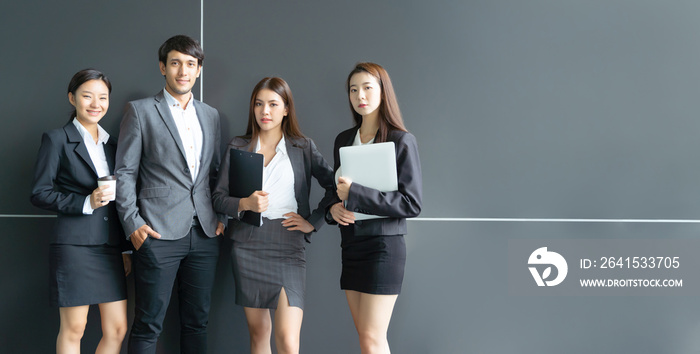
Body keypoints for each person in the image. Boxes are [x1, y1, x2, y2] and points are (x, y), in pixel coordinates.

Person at [114, 35, 225, 354]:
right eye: (175, 63)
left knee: (197, 323)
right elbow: (125, 172)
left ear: (199, 70)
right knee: (148, 325)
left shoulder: (211, 116)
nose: (183, 71)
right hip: (157, 233)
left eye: (191, 64)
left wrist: (221, 217)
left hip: (205, 234)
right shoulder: (140, 111)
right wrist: (132, 224)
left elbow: (216, 173)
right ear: (163, 67)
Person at [212, 77, 335, 354]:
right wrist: (245, 202)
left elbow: (334, 186)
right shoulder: (238, 146)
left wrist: (313, 222)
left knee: (288, 341)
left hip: (288, 243)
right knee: (259, 335)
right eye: (258, 104)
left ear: (286, 109)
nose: (264, 111)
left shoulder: (303, 147)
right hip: (247, 243)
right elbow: (218, 198)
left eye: (272, 104)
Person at [30, 68, 131, 354]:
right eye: (87, 96)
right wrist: (87, 202)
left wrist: (125, 250)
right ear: (72, 98)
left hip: (110, 248)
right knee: (75, 327)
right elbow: (39, 193)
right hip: (74, 245)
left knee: (117, 329)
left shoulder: (115, 145)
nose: (95, 104)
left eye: (103, 97)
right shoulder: (56, 139)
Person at [327, 62, 422, 354]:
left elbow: (411, 202)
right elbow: (336, 192)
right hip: (352, 245)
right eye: (353, 89)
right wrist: (333, 208)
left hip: (384, 246)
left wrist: (356, 193)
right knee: (366, 337)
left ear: (383, 92)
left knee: (372, 338)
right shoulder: (344, 139)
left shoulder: (401, 140)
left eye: (368, 87)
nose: (360, 95)